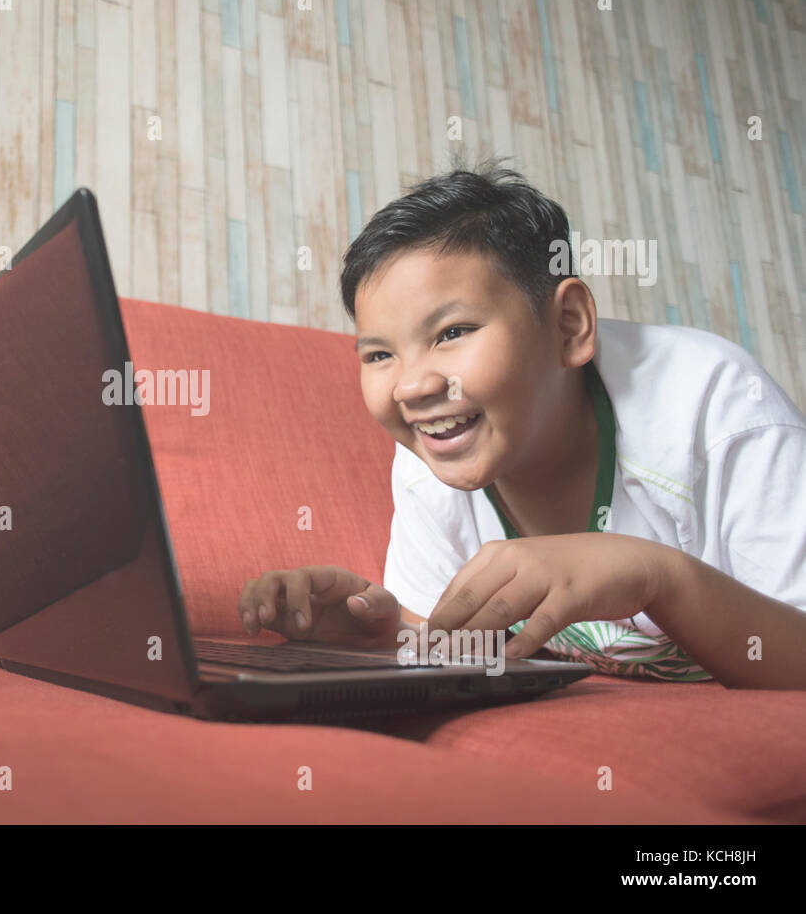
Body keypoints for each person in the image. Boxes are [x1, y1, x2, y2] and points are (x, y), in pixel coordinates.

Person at [238, 161, 806, 688]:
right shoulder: (429, 457)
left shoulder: (717, 411)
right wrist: (384, 634)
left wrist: (655, 576)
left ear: (569, 324)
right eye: (379, 355)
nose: (411, 386)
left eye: (453, 332)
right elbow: (463, 643)